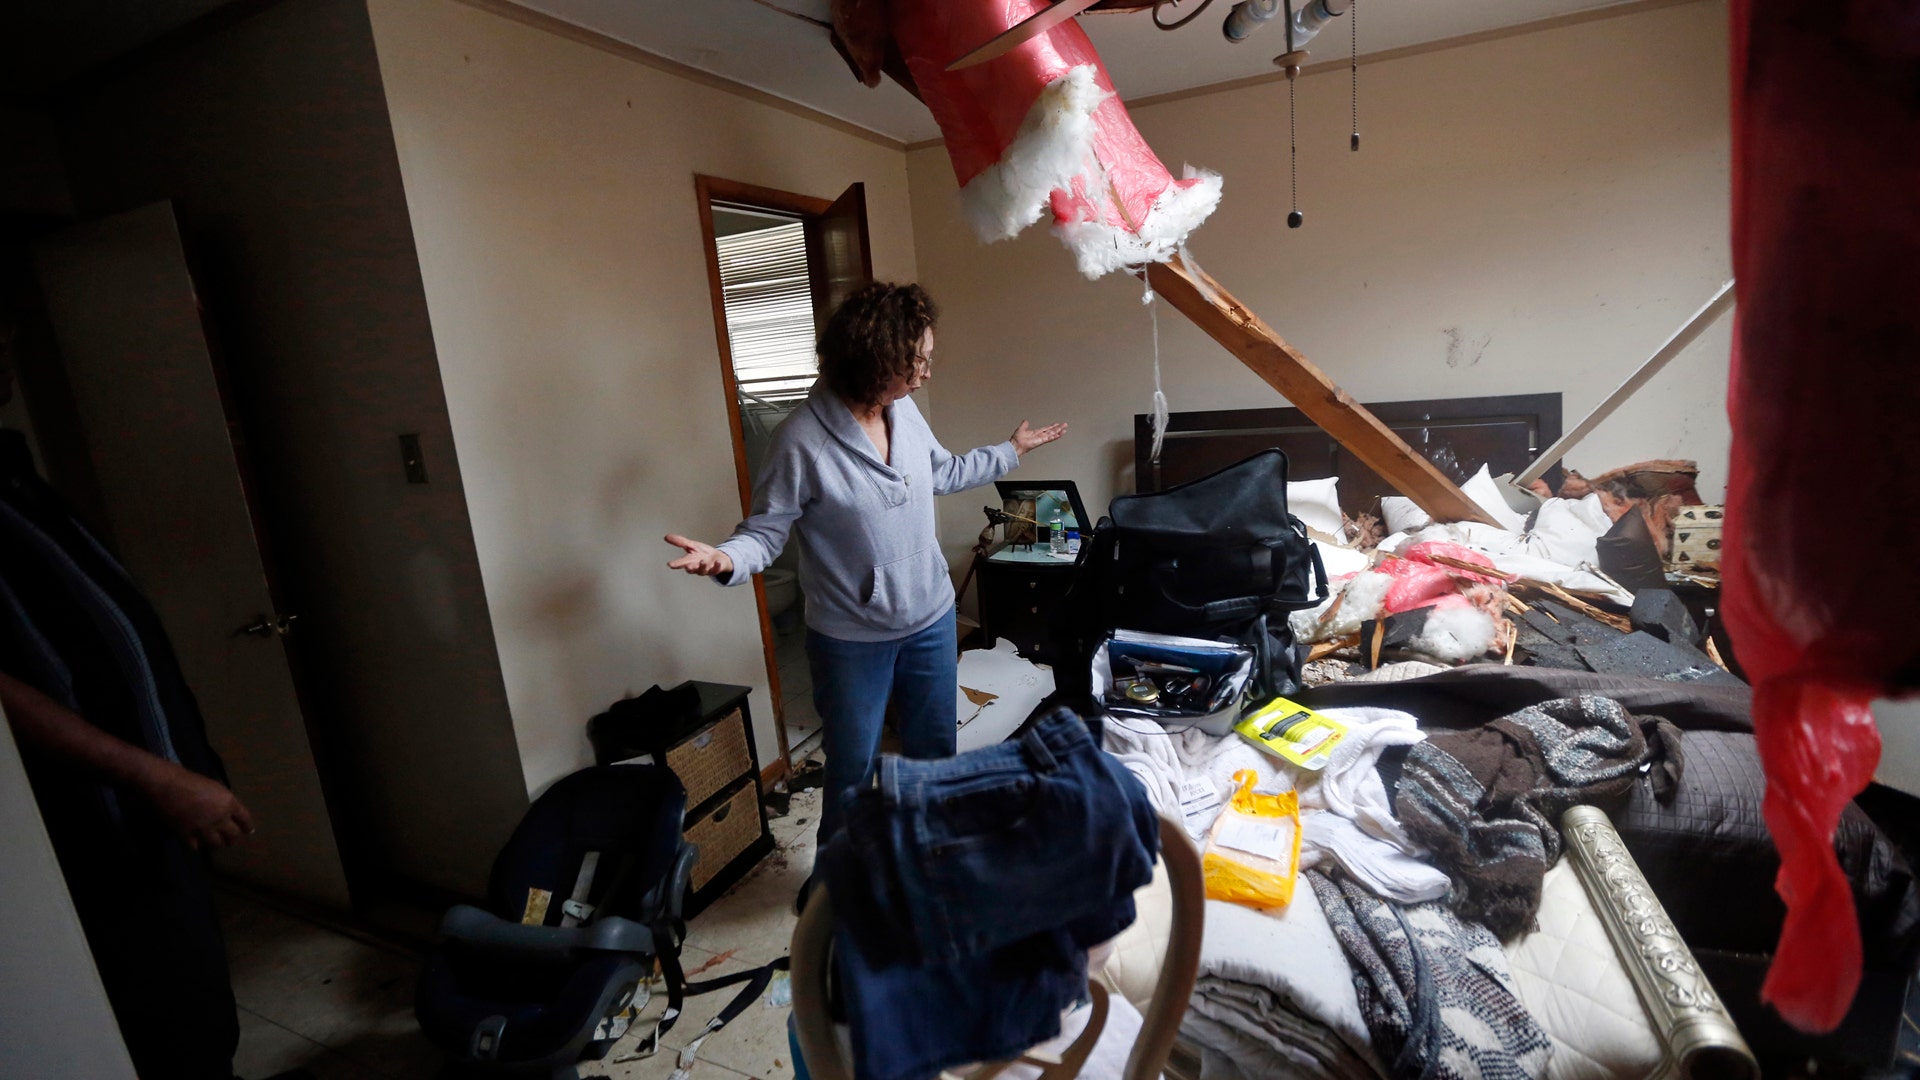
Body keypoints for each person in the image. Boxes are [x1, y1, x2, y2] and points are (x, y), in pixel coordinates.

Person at [666, 282, 1066, 847]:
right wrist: (726, 558)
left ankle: (932, 850)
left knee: (934, 753)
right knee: (852, 767)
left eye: (927, 358)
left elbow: (944, 473)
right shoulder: (800, 442)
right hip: (851, 640)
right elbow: (765, 532)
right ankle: (837, 874)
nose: (926, 373)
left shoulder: (903, 413)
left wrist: (1009, 451)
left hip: (929, 620)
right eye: (916, 361)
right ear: (875, 360)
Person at [0, 320, 254, 1080]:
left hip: (151, 800)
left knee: (197, 991)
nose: (5, 348)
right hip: (96, 817)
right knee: (160, 1012)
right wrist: (158, 778)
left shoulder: (12, 469)